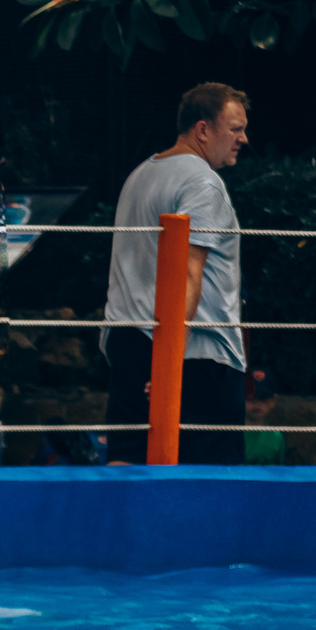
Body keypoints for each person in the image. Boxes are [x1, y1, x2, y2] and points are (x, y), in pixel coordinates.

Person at [102, 82, 250, 466]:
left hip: (128, 340)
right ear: (203, 129)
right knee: (208, 486)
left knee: (125, 464)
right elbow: (188, 275)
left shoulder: (139, 176)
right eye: (234, 128)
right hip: (193, 353)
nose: (243, 139)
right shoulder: (202, 182)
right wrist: (169, 361)